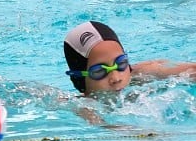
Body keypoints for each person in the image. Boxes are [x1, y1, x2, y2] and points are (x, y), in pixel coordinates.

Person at [64, 20, 196, 96]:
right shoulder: (84, 108)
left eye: (121, 63)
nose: (116, 78)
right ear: (80, 79)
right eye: (99, 71)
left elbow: (192, 70)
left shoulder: (140, 75)